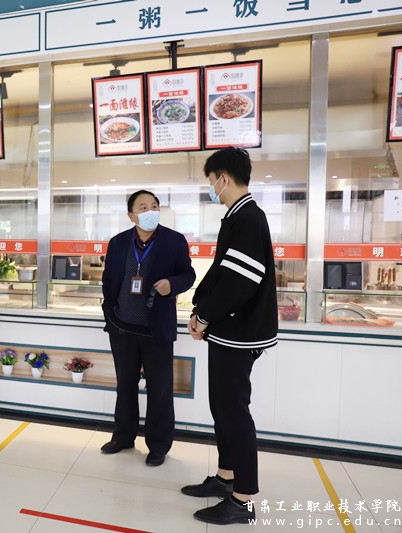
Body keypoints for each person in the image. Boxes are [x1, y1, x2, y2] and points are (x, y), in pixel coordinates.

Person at [181, 147, 278, 525]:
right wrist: (201, 311)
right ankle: (226, 478)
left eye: (211, 181)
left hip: (239, 332)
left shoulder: (248, 218)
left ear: (223, 177)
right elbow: (224, 274)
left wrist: (205, 316)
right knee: (221, 407)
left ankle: (243, 499)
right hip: (228, 330)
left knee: (234, 413)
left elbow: (239, 282)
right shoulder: (237, 215)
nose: (211, 188)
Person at [101, 190, 196, 467]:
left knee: (160, 389)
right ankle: (123, 436)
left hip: (156, 329)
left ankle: (158, 444)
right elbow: (108, 280)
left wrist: (172, 284)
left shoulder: (173, 241)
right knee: (125, 385)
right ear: (131, 215)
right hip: (122, 328)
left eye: (154, 206)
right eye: (143, 207)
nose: (150, 211)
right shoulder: (119, 242)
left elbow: (188, 274)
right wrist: (110, 313)